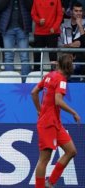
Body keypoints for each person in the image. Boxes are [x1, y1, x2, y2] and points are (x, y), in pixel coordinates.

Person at [31, 53, 81, 188]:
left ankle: (50, 182)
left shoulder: (49, 75)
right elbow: (58, 101)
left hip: (55, 123)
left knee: (71, 151)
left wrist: (39, 110)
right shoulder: (61, 80)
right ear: (68, 66)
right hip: (48, 124)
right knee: (44, 160)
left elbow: (34, 92)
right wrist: (74, 112)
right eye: (72, 64)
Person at [0, 0, 33, 82]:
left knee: (25, 57)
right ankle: (10, 82)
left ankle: (25, 83)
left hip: (23, 28)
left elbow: (30, 6)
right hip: (7, 28)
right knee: (8, 57)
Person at [31, 0, 63, 71]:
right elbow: (33, 14)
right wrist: (38, 20)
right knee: (37, 56)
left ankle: (54, 75)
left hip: (52, 33)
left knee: (53, 56)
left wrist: (54, 27)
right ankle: (36, 74)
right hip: (39, 32)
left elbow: (60, 15)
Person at [59, 1, 85, 82]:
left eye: (80, 11)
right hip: (66, 61)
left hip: (81, 61)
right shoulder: (64, 25)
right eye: (76, 11)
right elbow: (59, 44)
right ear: (71, 12)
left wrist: (80, 25)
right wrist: (73, 45)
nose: (78, 13)